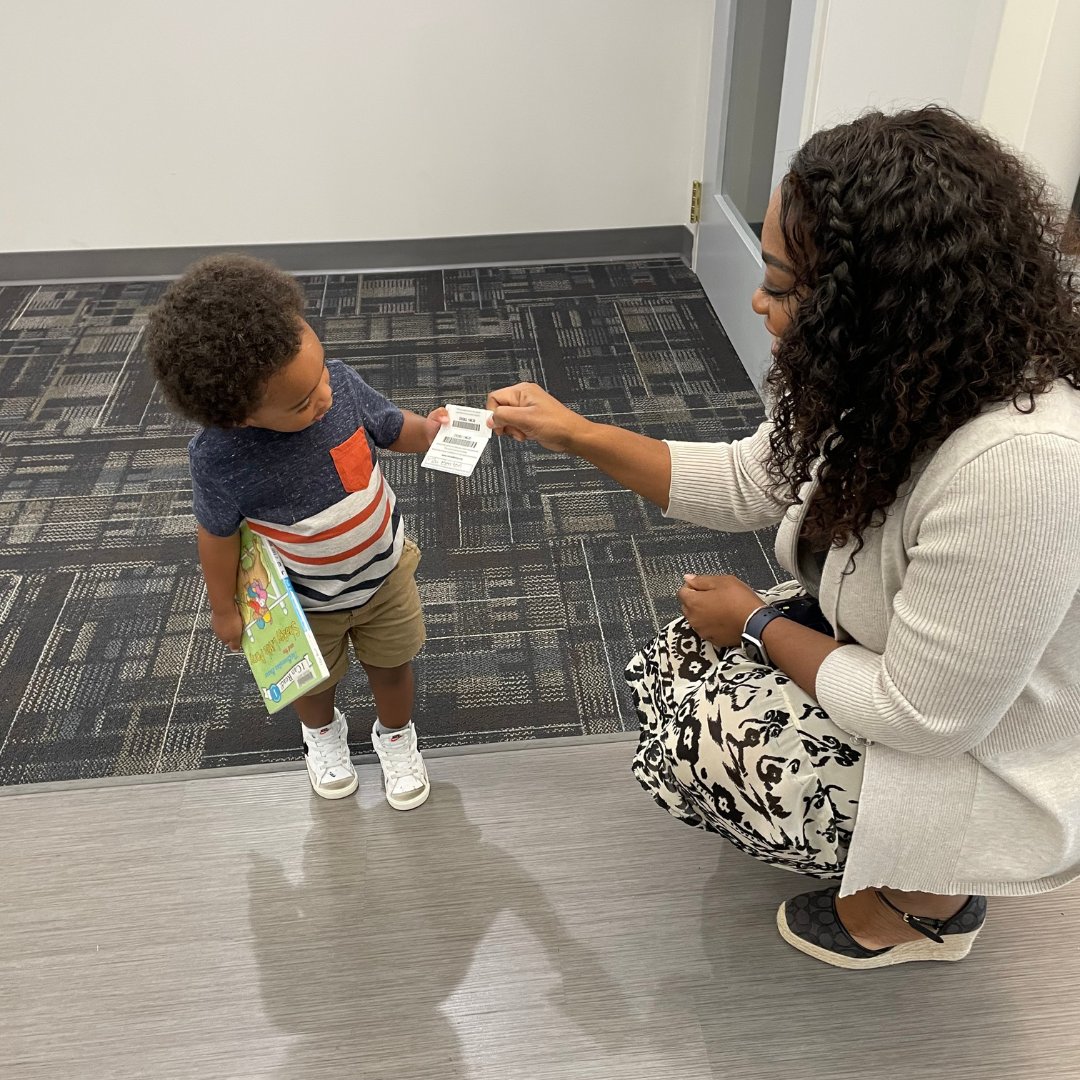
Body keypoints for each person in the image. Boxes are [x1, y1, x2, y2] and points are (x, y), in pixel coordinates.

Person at [486, 106, 1080, 969]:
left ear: (882, 300)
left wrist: (760, 626)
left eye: (785, 284)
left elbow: (924, 717)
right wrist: (577, 433)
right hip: (898, 659)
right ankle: (891, 849)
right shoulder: (902, 370)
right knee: (675, 667)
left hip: (986, 749)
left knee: (714, 739)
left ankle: (933, 902)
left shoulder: (1021, 465)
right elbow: (747, 480)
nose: (761, 302)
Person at [146, 255, 443, 809]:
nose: (325, 397)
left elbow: (392, 427)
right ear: (240, 416)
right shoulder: (220, 458)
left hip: (384, 573)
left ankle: (396, 736)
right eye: (303, 402)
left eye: (322, 373)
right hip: (305, 600)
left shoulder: (341, 387)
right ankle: (323, 737)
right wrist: (224, 608)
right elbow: (216, 533)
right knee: (313, 682)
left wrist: (432, 431)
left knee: (393, 664)